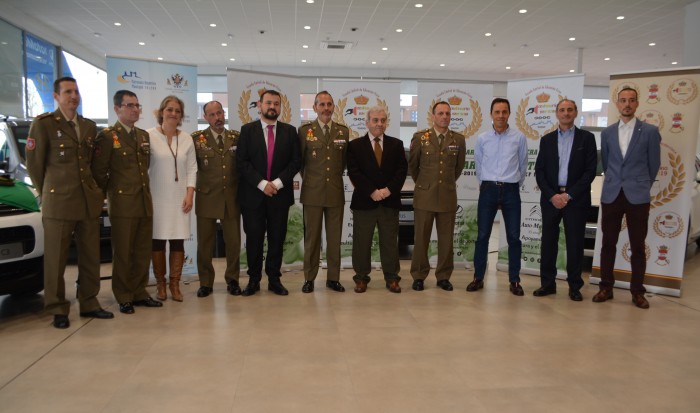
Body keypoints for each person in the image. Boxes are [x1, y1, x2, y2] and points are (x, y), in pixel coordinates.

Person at [26, 76, 113, 328]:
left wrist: (96, 191)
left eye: (75, 91)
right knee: (56, 259)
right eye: (67, 92)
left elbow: (94, 165)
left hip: (87, 202)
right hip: (59, 203)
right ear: (56, 96)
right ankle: (57, 308)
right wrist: (48, 194)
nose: (73, 96)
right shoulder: (43, 125)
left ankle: (89, 302)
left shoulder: (87, 126)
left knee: (90, 255)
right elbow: (35, 166)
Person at [92, 90, 162, 314]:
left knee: (142, 251)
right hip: (122, 203)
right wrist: (106, 199)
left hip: (143, 201)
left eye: (137, 105)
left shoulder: (143, 135)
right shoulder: (107, 136)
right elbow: (99, 173)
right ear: (117, 109)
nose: (135, 110)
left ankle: (139, 291)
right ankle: (123, 295)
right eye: (130, 105)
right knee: (123, 252)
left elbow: (145, 167)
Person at [595, 87, 661, 309]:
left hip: (638, 195)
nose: (627, 104)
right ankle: (606, 287)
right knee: (608, 243)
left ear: (637, 104)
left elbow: (654, 165)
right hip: (612, 194)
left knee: (638, 246)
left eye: (631, 100)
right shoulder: (607, 133)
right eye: (623, 100)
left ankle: (637, 292)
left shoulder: (650, 132)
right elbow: (606, 161)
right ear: (617, 104)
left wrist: (641, 185)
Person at [237, 89, 301, 296]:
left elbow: (295, 162)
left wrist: (277, 183)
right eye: (268, 103)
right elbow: (242, 162)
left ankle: (274, 279)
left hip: (279, 196)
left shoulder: (290, 132)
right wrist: (262, 183)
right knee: (254, 239)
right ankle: (254, 280)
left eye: (276, 103)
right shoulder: (247, 130)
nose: (272, 107)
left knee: (277, 238)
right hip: (253, 196)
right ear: (259, 105)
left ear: (280, 107)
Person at [534, 99, 597, 301]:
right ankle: (547, 284)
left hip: (575, 200)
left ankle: (575, 286)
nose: (566, 113)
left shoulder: (586, 139)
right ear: (556, 113)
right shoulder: (547, 140)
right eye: (562, 110)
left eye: (570, 110)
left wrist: (568, 195)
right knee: (548, 243)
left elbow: (590, 172)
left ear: (576, 112)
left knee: (575, 243)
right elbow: (540, 171)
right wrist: (553, 195)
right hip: (551, 198)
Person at [467, 98, 527, 296]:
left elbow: (523, 166)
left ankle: (515, 280)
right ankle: (478, 277)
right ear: (491, 114)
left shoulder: (519, 138)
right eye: (497, 112)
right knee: (483, 235)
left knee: (514, 238)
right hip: (488, 189)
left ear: (509, 114)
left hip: (511, 190)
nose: (501, 115)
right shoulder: (483, 138)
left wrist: (511, 184)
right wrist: (488, 184)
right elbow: (478, 165)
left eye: (504, 112)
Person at [347, 107, 407, 293]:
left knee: (389, 242)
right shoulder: (355, 145)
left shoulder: (397, 145)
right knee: (361, 243)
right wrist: (372, 191)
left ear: (386, 122)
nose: (379, 123)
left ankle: (391, 278)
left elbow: (401, 171)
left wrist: (388, 190)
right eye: (375, 120)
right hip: (365, 202)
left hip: (389, 202)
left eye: (383, 120)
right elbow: (354, 172)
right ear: (367, 122)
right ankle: (361, 278)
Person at [408, 101, 466, 292]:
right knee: (421, 239)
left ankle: (443, 276)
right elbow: (413, 167)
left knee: (446, 240)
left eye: (448, 114)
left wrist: (445, 183)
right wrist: (426, 183)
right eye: (440, 113)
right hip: (425, 195)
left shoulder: (458, 140)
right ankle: (418, 275)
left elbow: (458, 168)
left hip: (447, 196)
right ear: (433, 116)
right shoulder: (420, 138)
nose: (444, 117)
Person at [297, 91, 349, 293]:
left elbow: (343, 162)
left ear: (333, 107)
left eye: (329, 104)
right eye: (322, 104)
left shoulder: (342, 132)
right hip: (312, 193)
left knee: (335, 238)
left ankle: (333, 278)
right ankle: (309, 278)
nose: (326, 108)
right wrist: (313, 180)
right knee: (312, 239)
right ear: (315, 108)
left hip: (335, 192)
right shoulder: (305, 131)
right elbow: (301, 163)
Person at [147, 95, 197, 302]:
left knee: (177, 241)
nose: (173, 113)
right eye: (169, 109)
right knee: (157, 241)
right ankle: (160, 285)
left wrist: (190, 193)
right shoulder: (148, 136)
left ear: (181, 115)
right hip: (156, 196)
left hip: (180, 198)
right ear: (161, 112)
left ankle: (175, 284)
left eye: (177, 110)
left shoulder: (186, 138)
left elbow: (192, 168)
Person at [191, 101, 242, 298]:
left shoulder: (236, 138)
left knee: (233, 242)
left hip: (231, 198)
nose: (217, 118)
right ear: (206, 117)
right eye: (212, 115)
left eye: (219, 113)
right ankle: (205, 282)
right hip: (206, 198)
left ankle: (233, 279)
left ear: (224, 113)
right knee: (205, 244)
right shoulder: (197, 139)